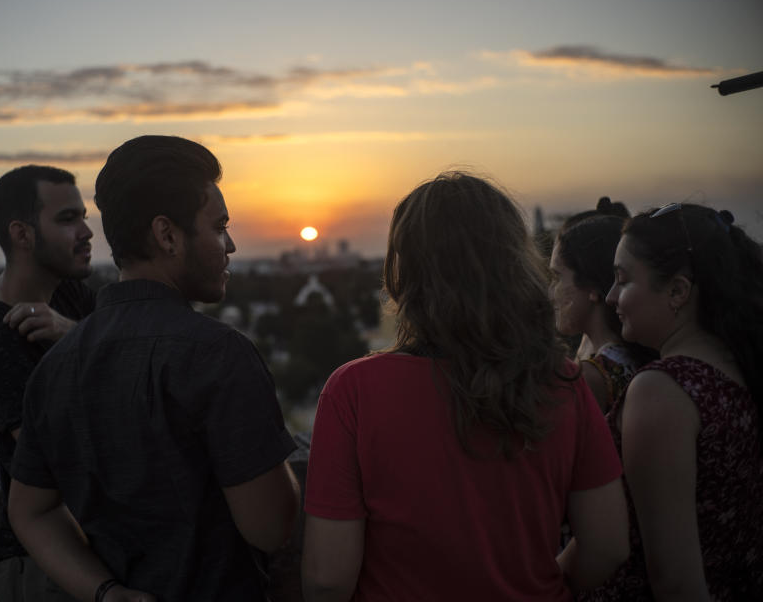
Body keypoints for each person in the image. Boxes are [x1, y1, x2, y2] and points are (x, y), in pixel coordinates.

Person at [302, 172, 629, 601]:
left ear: (404, 272)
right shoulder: (562, 383)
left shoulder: (354, 390)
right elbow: (608, 546)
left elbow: (328, 579)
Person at [8, 135, 301, 602]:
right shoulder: (218, 355)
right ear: (167, 235)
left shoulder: (58, 364)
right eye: (218, 225)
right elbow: (271, 528)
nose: (231, 244)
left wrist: (105, 593)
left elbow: (29, 513)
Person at [588, 203, 763, 600]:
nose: (612, 296)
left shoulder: (663, 391)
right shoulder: (735, 367)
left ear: (677, 291)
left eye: (623, 279)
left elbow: (675, 581)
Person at [0, 164, 96, 601]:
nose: (86, 231)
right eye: (67, 219)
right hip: (48, 565)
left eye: (83, 216)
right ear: (21, 234)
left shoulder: (68, 294)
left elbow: (132, 353)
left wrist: (72, 333)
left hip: (100, 549)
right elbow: (63, 458)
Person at [550, 211, 654, 412]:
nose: (551, 293)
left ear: (591, 287)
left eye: (557, 277)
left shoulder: (590, 377)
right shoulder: (638, 355)